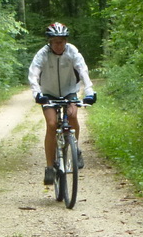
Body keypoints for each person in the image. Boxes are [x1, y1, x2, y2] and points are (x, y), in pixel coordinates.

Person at [28, 22, 96, 185]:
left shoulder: (72, 51)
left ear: (66, 41)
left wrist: (89, 91)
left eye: (62, 41)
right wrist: (37, 94)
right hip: (48, 93)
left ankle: (75, 149)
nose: (59, 45)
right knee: (52, 124)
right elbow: (33, 74)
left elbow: (83, 71)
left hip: (69, 91)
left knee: (72, 115)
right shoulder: (42, 54)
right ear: (50, 42)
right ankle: (49, 167)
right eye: (55, 42)